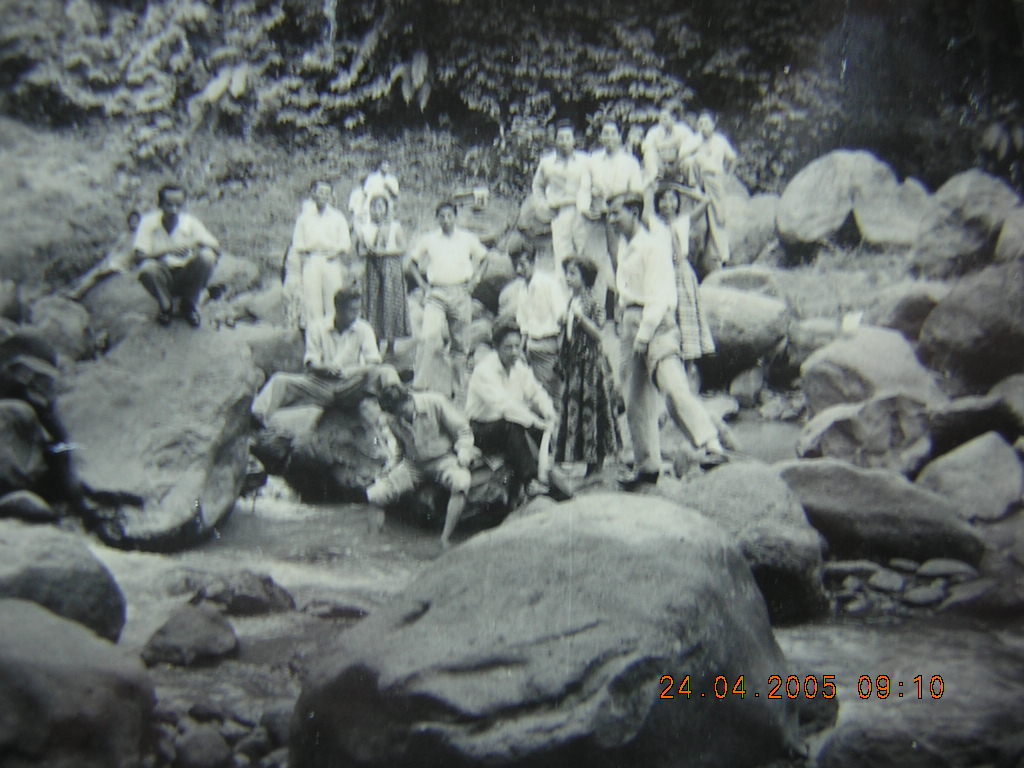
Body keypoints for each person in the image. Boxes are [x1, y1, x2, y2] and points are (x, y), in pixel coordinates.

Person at [609, 193, 728, 487]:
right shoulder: (625, 247)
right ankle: (646, 464)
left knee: (673, 387)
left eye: (616, 213)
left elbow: (660, 297)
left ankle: (710, 444)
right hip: (630, 320)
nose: (611, 220)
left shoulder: (652, 247)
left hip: (656, 322)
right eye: (610, 215)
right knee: (634, 397)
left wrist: (644, 335)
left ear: (634, 213)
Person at [366, 384, 478, 549]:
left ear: (409, 398)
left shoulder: (435, 402)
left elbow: (463, 430)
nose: (400, 416)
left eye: (403, 411)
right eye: (395, 413)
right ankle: (373, 541)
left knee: (461, 483)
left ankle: (445, 539)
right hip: (414, 464)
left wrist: (464, 451)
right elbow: (400, 448)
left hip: (443, 459)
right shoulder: (392, 418)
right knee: (375, 494)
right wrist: (392, 466)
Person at [252, 288, 383, 424]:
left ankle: (393, 401)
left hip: (349, 385)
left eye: (358, 310)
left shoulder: (364, 328)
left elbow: (373, 362)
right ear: (338, 308)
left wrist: (352, 371)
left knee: (380, 373)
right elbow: (311, 362)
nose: (356, 315)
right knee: (280, 380)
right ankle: (260, 419)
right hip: (319, 384)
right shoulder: (317, 327)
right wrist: (323, 368)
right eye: (352, 310)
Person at [465, 320, 557, 498]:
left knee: (543, 423)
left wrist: (548, 412)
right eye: (508, 347)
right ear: (496, 347)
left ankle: (551, 471)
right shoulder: (484, 371)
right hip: (481, 429)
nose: (514, 352)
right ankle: (530, 482)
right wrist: (535, 422)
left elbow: (536, 391)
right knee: (514, 426)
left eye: (517, 346)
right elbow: (505, 405)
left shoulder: (519, 368)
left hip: (507, 422)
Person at [409, 200, 488, 399]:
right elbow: (411, 262)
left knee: (460, 344)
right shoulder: (429, 239)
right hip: (436, 293)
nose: (446, 220)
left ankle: (457, 389)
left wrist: (474, 281)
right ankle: (419, 386)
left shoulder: (467, 238)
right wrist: (422, 285)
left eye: (449, 216)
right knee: (428, 336)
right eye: (442, 216)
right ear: (437, 218)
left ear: (455, 216)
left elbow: (485, 258)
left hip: (461, 291)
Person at [555, 256, 621, 479]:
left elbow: (599, 333)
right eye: (567, 273)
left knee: (593, 410)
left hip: (591, 365)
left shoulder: (593, 302)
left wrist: (580, 319)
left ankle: (597, 462)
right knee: (576, 410)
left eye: (573, 274)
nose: (568, 278)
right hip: (575, 364)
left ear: (585, 278)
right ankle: (585, 460)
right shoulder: (570, 301)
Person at [579, 119, 644, 314]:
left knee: (619, 259)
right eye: (605, 133)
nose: (609, 138)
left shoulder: (630, 162)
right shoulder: (593, 160)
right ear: (601, 137)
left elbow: (637, 192)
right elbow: (584, 188)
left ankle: (621, 308)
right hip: (597, 218)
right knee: (595, 261)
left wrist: (617, 208)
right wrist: (586, 209)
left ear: (619, 137)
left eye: (613, 133)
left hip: (620, 217)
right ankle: (596, 309)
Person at [133, 185, 220, 328]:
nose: (174, 210)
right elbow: (138, 257)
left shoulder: (190, 222)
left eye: (178, 205)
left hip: (186, 275)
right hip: (162, 276)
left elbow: (217, 248)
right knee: (147, 268)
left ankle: (189, 304)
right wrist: (167, 250)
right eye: (169, 205)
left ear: (184, 205)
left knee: (207, 257)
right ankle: (166, 307)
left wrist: (196, 242)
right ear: (160, 204)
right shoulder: (148, 222)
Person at [652, 185, 716, 370]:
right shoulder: (654, 224)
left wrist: (681, 188)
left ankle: (689, 370)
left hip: (682, 273)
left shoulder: (683, 222)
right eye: (663, 199)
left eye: (672, 199)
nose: (668, 204)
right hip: (663, 273)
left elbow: (706, 200)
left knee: (687, 320)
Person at [284, 180, 353, 331]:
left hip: (331, 261)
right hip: (312, 260)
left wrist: (335, 253)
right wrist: (307, 255)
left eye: (327, 193)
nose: (323, 196)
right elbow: (298, 242)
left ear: (331, 196)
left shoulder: (337, 216)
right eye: (320, 192)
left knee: (333, 300)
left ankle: (332, 340)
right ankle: (315, 342)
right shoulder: (304, 218)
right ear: (313, 194)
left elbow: (345, 242)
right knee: (312, 303)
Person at [508, 246, 567, 402]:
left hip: (549, 345)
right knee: (537, 395)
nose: (519, 269)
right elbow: (523, 326)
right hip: (531, 348)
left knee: (553, 395)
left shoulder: (548, 284)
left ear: (533, 261)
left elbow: (563, 318)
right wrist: (520, 350)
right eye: (516, 266)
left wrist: (562, 351)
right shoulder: (522, 289)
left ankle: (558, 425)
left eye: (523, 264)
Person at [531, 119, 591, 268]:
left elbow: (596, 183)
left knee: (584, 253)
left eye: (568, 138)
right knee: (562, 256)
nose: (564, 142)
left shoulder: (585, 160)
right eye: (561, 138)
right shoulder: (547, 162)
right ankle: (564, 290)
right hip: (559, 213)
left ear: (573, 140)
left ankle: (586, 290)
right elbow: (537, 186)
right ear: (555, 140)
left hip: (582, 212)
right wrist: (543, 205)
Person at [358, 194, 410, 355]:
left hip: (390, 267)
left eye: (380, 207)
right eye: (373, 207)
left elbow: (403, 248)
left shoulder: (394, 226)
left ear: (386, 209)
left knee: (390, 303)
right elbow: (359, 250)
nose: (377, 211)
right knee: (373, 303)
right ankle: (373, 341)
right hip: (372, 267)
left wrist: (385, 252)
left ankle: (390, 343)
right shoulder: (364, 228)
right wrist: (369, 252)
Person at [692, 110, 738, 277]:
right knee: (709, 217)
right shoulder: (698, 144)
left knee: (719, 216)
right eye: (700, 124)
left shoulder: (720, 141)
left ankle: (725, 255)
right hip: (704, 181)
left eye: (706, 123)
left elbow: (732, 158)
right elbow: (693, 164)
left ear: (713, 124)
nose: (703, 127)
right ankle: (718, 255)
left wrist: (728, 175)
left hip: (716, 179)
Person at [67, 210, 141, 300]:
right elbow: (114, 250)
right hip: (115, 260)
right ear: (128, 222)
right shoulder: (125, 236)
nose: (134, 223)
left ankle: (78, 293)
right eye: (132, 221)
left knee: (95, 276)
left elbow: (138, 254)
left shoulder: (140, 237)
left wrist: (133, 266)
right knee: (94, 272)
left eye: (136, 221)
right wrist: (107, 260)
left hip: (122, 264)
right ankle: (75, 289)